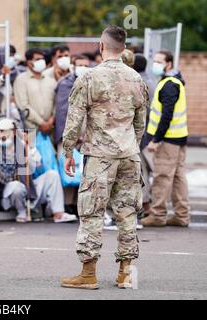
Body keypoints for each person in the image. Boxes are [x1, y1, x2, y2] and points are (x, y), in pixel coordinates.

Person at [60, 25, 148, 290]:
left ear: (101, 46)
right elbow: (140, 123)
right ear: (124, 48)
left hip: (99, 155)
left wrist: (67, 151)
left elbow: (74, 119)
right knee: (127, 213)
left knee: (92, 212)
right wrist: (131, 144)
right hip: (129, 154)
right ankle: (126, 273)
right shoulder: (137, 79)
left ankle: (88, 273)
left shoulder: (89, 78)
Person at [0, 118, 76, 223]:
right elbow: (0, 175)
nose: (0, 135)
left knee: (52, 176)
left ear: (13, 132)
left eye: (3, 131)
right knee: (16, 186)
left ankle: (58, 214)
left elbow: (38, 166)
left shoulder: (22, 145)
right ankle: (21, 212)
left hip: (29, 189)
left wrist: (28, 150)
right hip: (8, 194)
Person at [141, 50, 190, 227]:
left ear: (168, 64)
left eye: (159, 61)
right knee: (178, 177)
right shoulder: (175, 82)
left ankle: (158, 214)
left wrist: (156, 140)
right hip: (178, 138)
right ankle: (182, 215)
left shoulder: (169, 84)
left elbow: (166, 115)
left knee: (162, 177)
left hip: (168, 140)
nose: (155, 64)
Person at [54, 55, 91, 214]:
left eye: (86, 65)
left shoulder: (92, 83)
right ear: (73, 66)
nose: (83, 67)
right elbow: (63, 112)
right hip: (68, 135)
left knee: (83, 170)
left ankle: (78, 205)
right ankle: (66, 205)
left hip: (87, 136)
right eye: (80, 64)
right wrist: (71, 136)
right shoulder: (66, 84)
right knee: (67, 169)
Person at [133, 53, 157, 216]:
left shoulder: (139, 82)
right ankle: (147, 203)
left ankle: (146, 204)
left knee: (142, 170)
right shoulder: (151, 80)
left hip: (143, 133)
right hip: (149, 131)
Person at [13, 48, 56, 133]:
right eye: (37, 59)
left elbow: (56, 103)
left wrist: (51, 121)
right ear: (29, 63)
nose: (41, 61)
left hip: (50, 130)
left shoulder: (50, 80)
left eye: (42, 59)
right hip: (30, 130)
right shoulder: (21, 80)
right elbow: (23, 106)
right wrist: (42, 123)